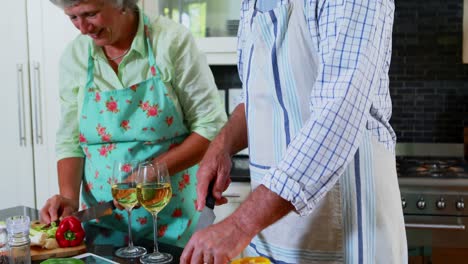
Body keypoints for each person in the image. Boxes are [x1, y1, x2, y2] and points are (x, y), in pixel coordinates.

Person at [181, 0, 408, 263]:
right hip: (269, 229)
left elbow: (337, 116)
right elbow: (255, 97)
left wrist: (239, 225)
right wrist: (222, 146)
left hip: (347, 231)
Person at [39, 0, 227, 248]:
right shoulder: (75, 56)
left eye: (90, 14)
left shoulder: (170, 41)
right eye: (73, 17)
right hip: (103, 223)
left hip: (175, 223)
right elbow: (70, 140)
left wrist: (152, 171)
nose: (83, 28)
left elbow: (211, 127)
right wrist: (68, 197)